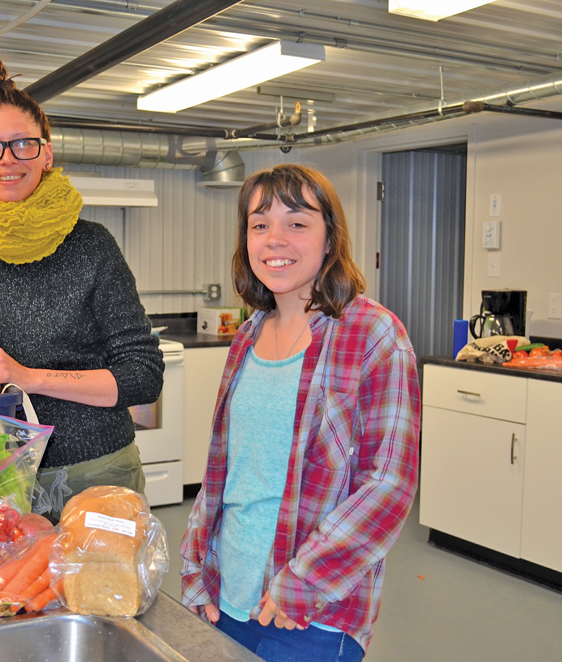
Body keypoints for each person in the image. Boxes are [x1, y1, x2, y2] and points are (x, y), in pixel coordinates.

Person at [0, 46, 164, 521]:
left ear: (46, 153)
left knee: (102, 595)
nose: (8, 159)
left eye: (24, 143)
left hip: (95, 471)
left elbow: (142, 375)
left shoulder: (91, 244)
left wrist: (27, 378)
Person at [179, 164, 420, 661]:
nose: (275, 240)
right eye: (259, 224)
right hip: (227, 597)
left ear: (330, 239)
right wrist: (196, 565)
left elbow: (388, 483)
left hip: (314, 612)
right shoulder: (248, 335)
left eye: (297, 222)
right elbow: (226, 468)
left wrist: (304, 582)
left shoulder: (373, 334)